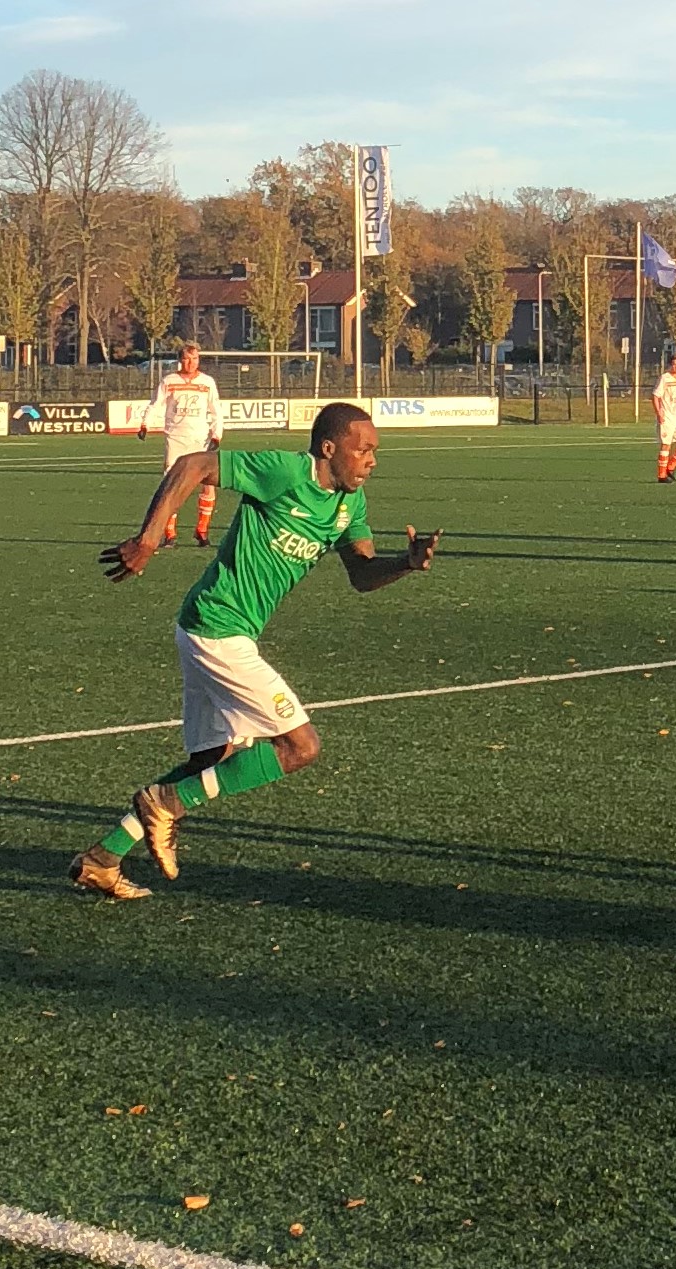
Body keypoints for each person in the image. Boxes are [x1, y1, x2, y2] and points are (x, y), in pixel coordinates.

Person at [73, 402, 442, 899]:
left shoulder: (350, 504)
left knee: (212, 760)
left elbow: (362, 573)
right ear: (329, 449)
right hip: (217, 629)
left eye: (375, 451)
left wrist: (406, 564)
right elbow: (193, 465)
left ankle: (102, 858)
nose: (372, 460)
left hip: (212, 629)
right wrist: (150, 537)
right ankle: (166, 803)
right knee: (300, 746)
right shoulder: (285, 471)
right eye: (364, 450)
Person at [141, 342, 224, 545]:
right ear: (180, 360)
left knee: (208, 485)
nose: (191, 362)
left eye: (195, 358)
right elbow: (156, 404)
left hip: (200, 439)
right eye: (187, 358)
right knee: (172, 486)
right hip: (175, 439)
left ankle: (202, 531)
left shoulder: (207, 382)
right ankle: (169, 534)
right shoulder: (169, 381)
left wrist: (217, 434)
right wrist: (145, 424)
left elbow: (216, 410)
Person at [654, 355, 676, 482]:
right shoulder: (664, 378)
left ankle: (670, 467)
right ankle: (661, 476)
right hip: (667, 416)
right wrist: (659, 413)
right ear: (671, 365)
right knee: (666, 445)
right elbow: (655, 396)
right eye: (674, 364)